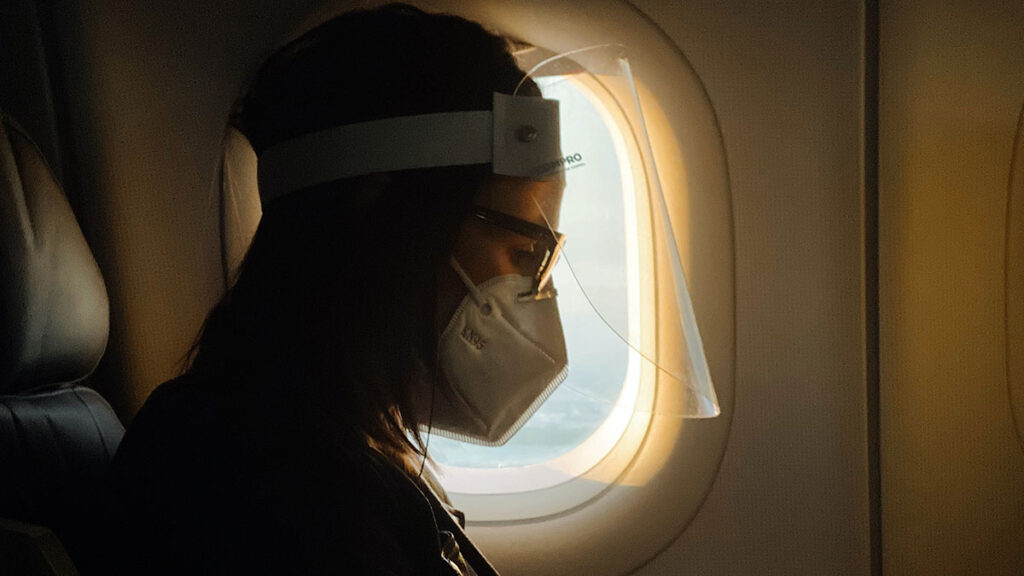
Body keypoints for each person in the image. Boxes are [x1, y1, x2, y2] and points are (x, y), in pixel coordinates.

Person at [103, 4, 568, 575]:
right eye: (523, 255)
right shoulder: (260, 486)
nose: (534, 294)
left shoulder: (336, 446)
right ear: (384, 215)